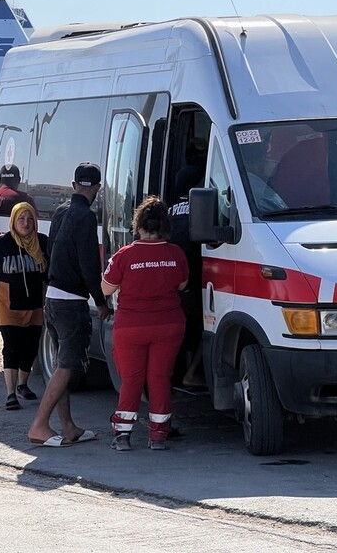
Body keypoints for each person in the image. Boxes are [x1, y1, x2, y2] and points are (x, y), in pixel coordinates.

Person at [27, 162, 107, 448]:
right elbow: (89, 266)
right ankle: (39, 425)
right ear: (96, 189)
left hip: (51, 297)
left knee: (62, 363)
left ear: (74, 185)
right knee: (67, 367)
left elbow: (51, 252)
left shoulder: (60, 211)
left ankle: (67, 426)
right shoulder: (86, 217)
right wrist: (100, 301)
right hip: (71, 302)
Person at [102, 196, 188, 451]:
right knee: (160, 378)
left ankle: (122, 435)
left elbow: (106, 289)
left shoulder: (124, 255)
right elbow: (182, 285)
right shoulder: (176, 254)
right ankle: (159, 435)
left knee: (132, 380)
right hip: (168, 324)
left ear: (138, 225)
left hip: (131, 326)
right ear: (164, 226)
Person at [0, 202, 48, 411]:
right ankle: (11, 393)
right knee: (11, 347)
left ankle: (23, 385)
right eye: (21, 219)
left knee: (30, 348)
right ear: (13, 221)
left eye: (30, 219)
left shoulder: (42, 243)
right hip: (7, 305)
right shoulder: (2, 244)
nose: (26, 223)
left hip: (34, 306)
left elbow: (51, 274)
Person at [168, 166, 206, 388]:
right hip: (193, 282)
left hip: (172, 284)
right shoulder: (202, 209)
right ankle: (192, 373)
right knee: (209, 327)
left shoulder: (169, 211)